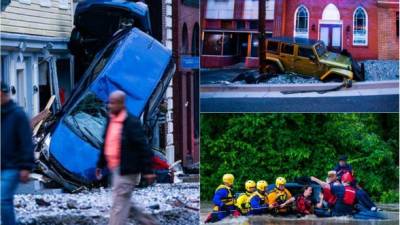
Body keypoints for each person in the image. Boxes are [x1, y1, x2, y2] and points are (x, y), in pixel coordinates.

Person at [95, 90, 156, 225]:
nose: (109, 106)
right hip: (115, 168)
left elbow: (143, 147)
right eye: (109, 102)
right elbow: (106, 143)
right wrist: (100, 164)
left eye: (113, 103)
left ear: (121, 104)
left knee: (119, 204)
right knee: (125, 202)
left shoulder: (131, 122)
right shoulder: (111, 120)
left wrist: (148, 171)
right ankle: (149, 222)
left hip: (128, 169)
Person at [1, 81, 35, 225]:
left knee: (3, 200)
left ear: (2, 94)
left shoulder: (18, 115)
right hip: (3, 165)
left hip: (13, 166)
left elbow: (27, 142)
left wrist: (26, 167)